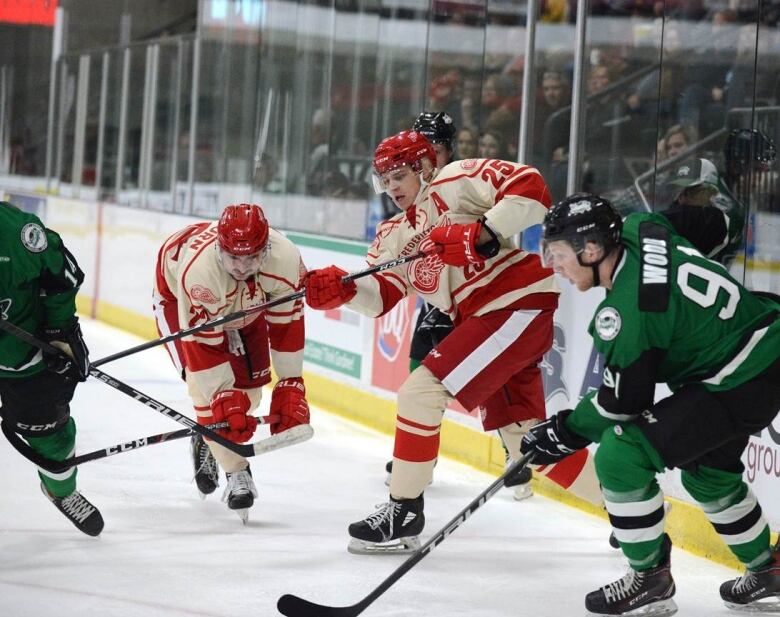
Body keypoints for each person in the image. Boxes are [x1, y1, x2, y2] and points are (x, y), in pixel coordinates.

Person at [304, 131, 602, 554]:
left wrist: (483, 232)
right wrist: (345, 293)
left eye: (399, 175)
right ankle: (631, 509)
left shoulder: (454, 181)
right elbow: (383, 296)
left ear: (425, 167)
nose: (392, 188)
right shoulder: (391, 234)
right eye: (383, 180)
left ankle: (404, 509)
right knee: (526, 443)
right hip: (483, 318)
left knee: (419, 392)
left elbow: (532, 188)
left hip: (514, 302)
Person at [522, 193, 780, 615]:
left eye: (560, 254)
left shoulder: (630, 310)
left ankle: (650, 579)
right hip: (763, 345)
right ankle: (768, 572)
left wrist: (564, 431)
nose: (554, 266)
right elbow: (712, 222)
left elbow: (621, 403)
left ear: (591, 250)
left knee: (621, 456)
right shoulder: (642, 226)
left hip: (739, 378)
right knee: (708, 475)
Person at [153, 203, 310, 522]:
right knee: (211, 400)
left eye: (251, 257)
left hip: (246, 308)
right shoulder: (199, 274)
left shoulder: (286, 260)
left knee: (249, 397)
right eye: (235, 257)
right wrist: (222, 399)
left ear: (265, 249)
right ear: (219, 247)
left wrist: (290, 383)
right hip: (179, 302)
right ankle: (237, 473)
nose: (242, 266)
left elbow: (286, 327)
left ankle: (206, 439)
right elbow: (205, 352)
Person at [0, 201, 102, 536]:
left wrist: (59, 330)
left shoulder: (19, 234)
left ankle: (61, 491)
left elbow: (63, 274)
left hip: (23, 357)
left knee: (51, 439)